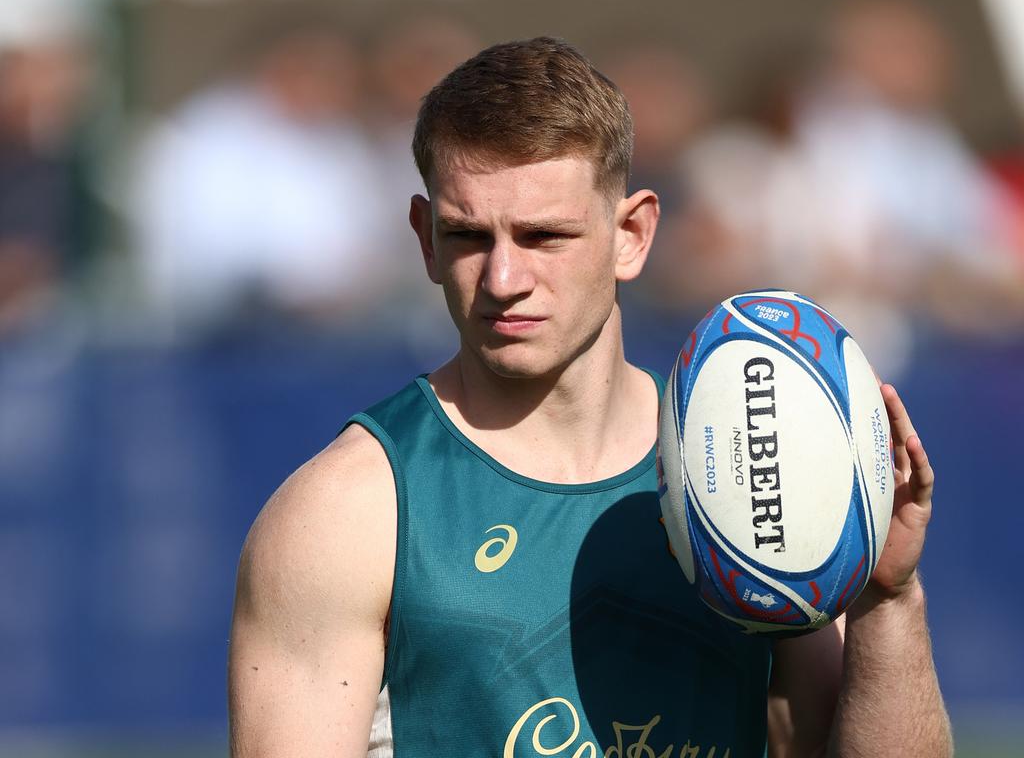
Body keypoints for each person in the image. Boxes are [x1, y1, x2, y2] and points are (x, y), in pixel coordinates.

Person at [228, 37, 952, 757]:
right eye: (468, 235)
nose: (504, 277)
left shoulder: (747, 482)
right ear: (424, 240)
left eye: (544, 236)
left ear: (631, 234)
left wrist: (888, 600)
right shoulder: (347, 513)